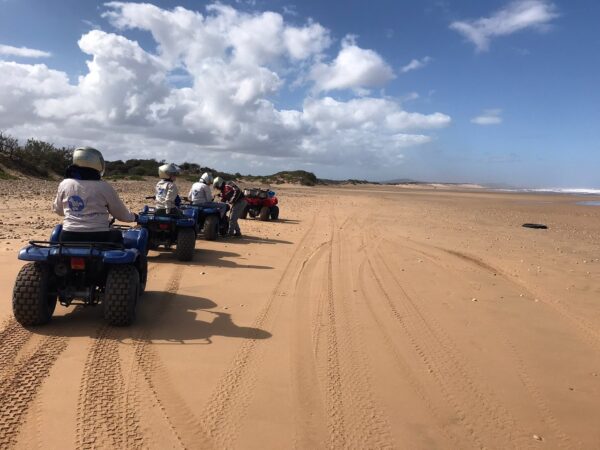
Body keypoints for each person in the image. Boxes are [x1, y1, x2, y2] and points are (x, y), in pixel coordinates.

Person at [53, 147, 137, 243]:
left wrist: (77, 213)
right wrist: (134, 217)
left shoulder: (65, 183)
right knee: (119, 235)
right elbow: (122, 215)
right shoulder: (104, 187)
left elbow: (59, 210)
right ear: (98, 163)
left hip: (69, 235)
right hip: (99, 236)